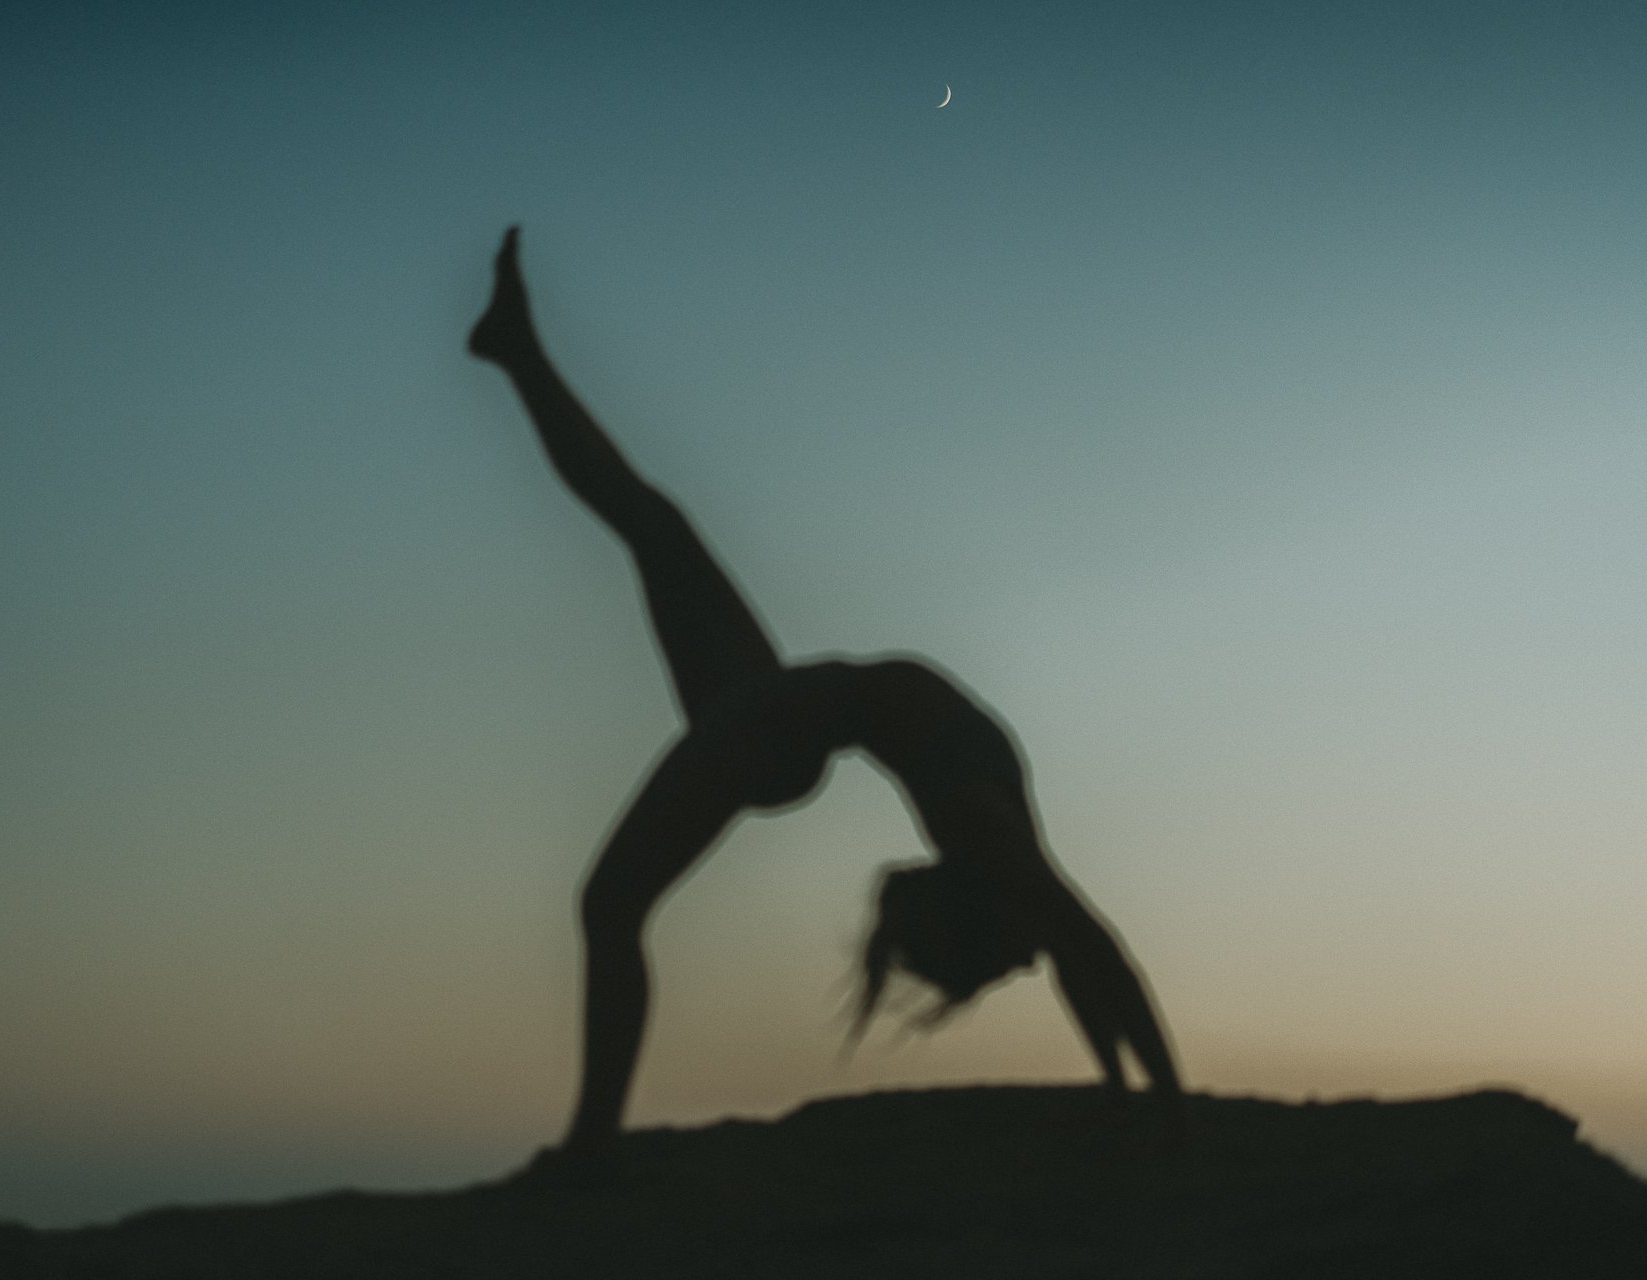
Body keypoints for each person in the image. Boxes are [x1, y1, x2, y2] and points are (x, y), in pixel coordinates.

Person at [468, 227, 1181, 1152]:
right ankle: (517, 352)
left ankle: (593, 1141)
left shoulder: (985, 834)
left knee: (608, 907)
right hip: (780, 710)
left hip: (771, 733)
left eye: (1010, 963)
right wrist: (1144, 1090)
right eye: (1017, 963)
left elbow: (1085, 952)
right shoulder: (1000, 844)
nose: (1029, 961)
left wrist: (1155, 1097)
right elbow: (1089, 952)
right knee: (653, 525)